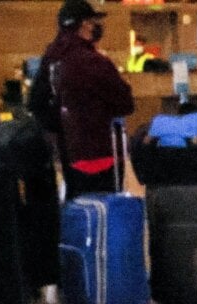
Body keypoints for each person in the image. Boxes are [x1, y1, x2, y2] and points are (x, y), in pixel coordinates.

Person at [31, 0, 135, 198]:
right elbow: (126, 104)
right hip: (100, 152)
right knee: (104, 209)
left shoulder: (51, 57)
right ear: (85, 24)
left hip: (67, 154)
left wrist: (62, 127)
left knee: (77, 207)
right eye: (94, 21)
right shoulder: (94, 62)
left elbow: (36, 103)